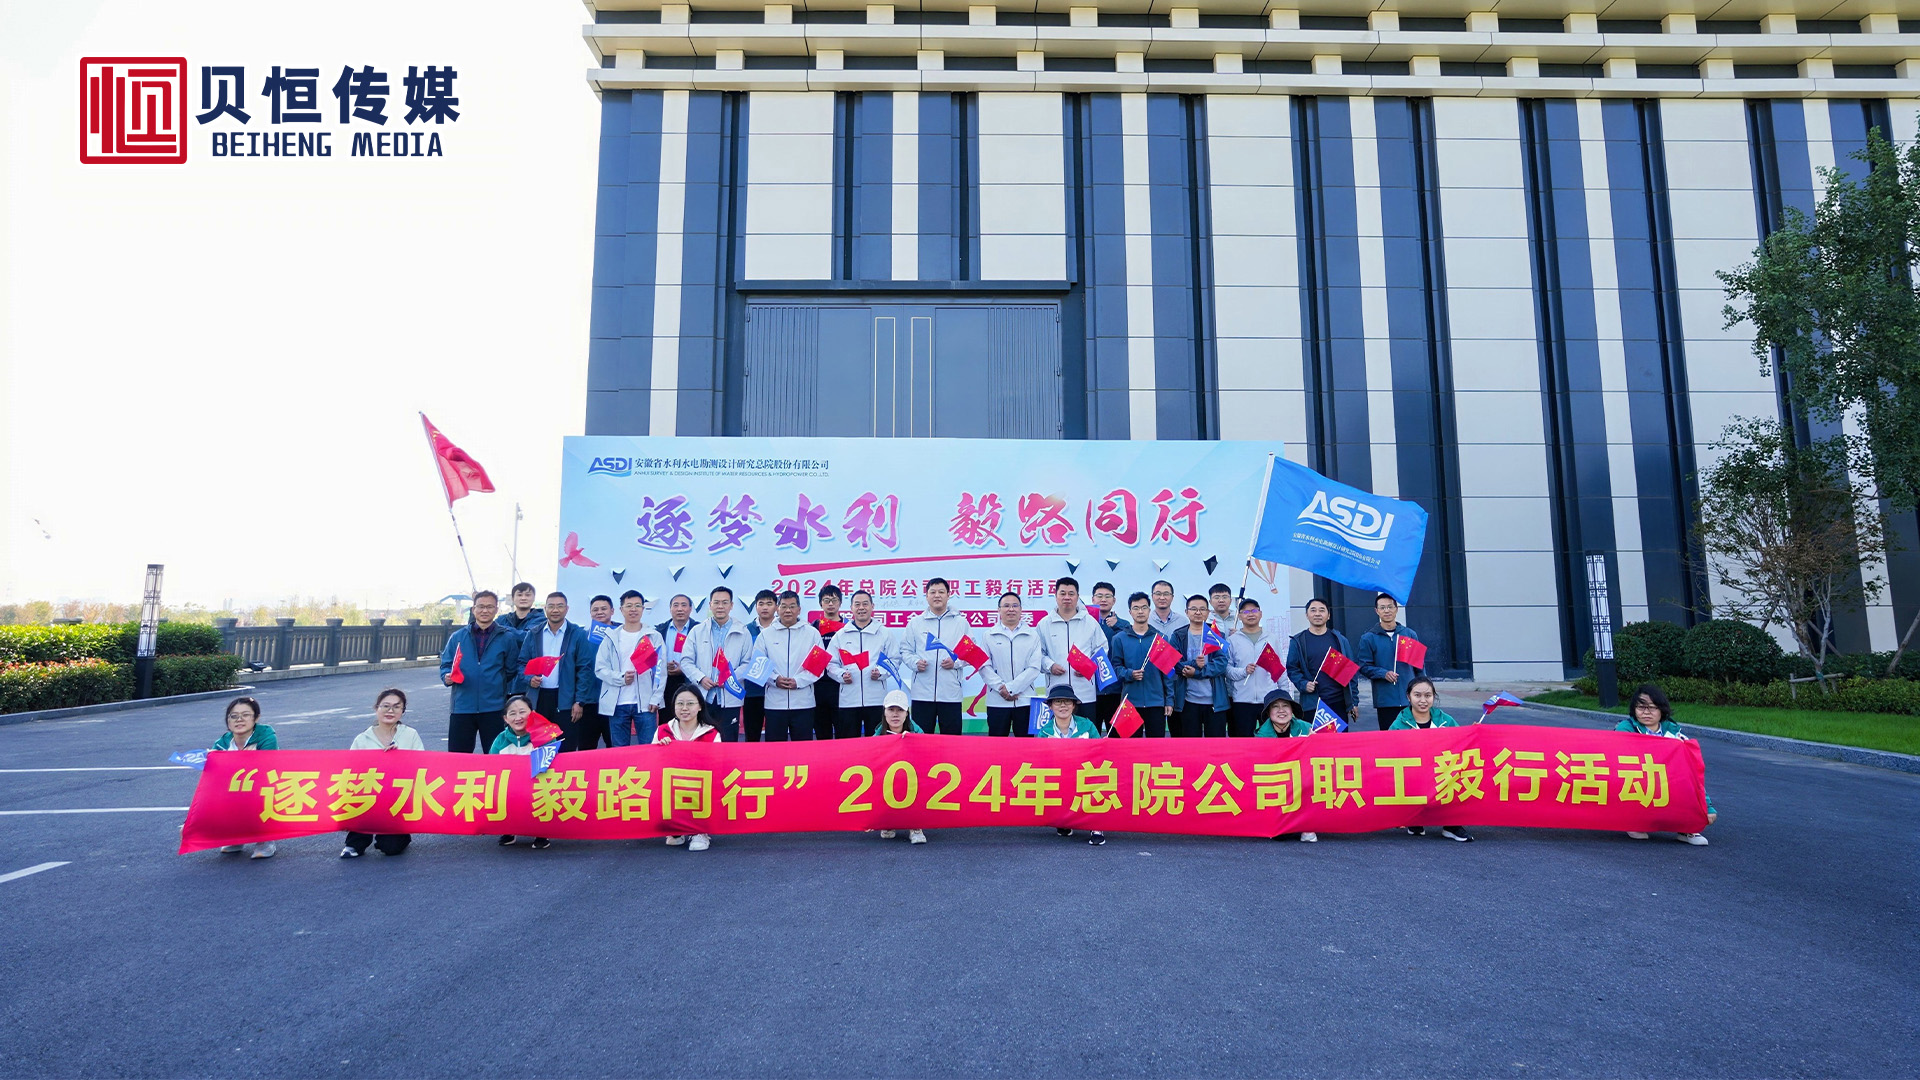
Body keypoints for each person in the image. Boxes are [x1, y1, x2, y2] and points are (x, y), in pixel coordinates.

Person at [1616, 683, 1717, 846]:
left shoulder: (1674, 734)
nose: (1646, 712)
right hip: (1638, 779)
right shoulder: (1625, 729)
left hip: (1666, 781)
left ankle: (1686, 828)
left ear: (1661, 710)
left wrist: (1707, 806)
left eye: (1652, 707)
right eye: (1641, 707)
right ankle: (1634, 821)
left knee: (1685, 776)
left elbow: (1693, 771)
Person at [1386, 677, 1473, 842]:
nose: (1423, 700)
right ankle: (1414, 818)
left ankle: (1452, 825)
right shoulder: (1399, 724)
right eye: (1417, 695)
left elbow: (1463, 741)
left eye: (1428, 695)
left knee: (1462, 773)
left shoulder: (1445, 720)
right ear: (1408, 697)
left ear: (1434, 696)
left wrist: (1473, 732)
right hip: (1414, 775)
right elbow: (1388, 750)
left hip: (1441, 772)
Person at [342, 688, 424, 858]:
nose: (390, 711)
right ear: (376, 708)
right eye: (385, 706)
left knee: (391, 848)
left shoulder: (410, 735)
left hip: (398, 797)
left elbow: (422, 765)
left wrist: (400, 757)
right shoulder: (362, 739)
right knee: (361, 802)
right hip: (369, 795)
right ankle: (355, 842)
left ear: (403, 711)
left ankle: (400, 834)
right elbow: (350, 772)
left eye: (396, 707)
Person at [515, 591, 597, 752]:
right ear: (545, 608)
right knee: (539, 747)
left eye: (560, 606)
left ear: (567, 609)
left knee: (566, 747)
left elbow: (584, 670)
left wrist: (579, 701)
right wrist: (529, 678)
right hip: (539, 699)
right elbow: (521, 664)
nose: (555, 610)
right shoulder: (534, 633)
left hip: (566, 700)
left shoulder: (577, 634)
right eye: (551, 606)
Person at [440, 590, 519, 754]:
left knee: (495, 757)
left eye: (490, 607)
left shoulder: (507, 637)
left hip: (494, 708)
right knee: (459, 757)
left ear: (496, 610)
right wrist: (446, 676)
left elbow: (511, 669)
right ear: (473, 609)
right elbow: (446, 664)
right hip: (462, 707)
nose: (485, 610)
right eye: (481, 606)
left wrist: (494, 683)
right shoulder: (458, 637)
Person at [594, 590, 667, 746]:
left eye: (637, 606)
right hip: (617, 703)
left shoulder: (653, 636)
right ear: (621, 610)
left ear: (643, 609)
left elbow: (661, 672)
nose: (633, 609)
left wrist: (656, 698)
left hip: (646, 704)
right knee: (619, 751)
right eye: (629, 606)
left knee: (649, 748)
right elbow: (600, 668)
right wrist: (621, 678)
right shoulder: (610, 637)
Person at [896, 578, 967, 735]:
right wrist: (915, 663)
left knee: (952, 739)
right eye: (932, 592)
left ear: (948, 595)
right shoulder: (915, 623)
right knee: (921, 739)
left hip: (950, 694)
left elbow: (970, 651)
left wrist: (955, 662)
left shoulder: (961, 623)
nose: (937, 596)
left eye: (941, 592)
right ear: (926, 596)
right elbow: (905, 650)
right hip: (922, 694)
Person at [750, 590, 824, 741]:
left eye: (792, 606)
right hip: (774, 704)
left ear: (799, 609)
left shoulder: (812, 634)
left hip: (804, 703)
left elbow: (819, 666)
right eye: (783, 606)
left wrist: (799, 681)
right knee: (775, 749)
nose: (788, 610)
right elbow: (757, 665)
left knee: (803, 749)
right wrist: (775, 679)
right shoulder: (765, 635)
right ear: (777, 609)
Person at [1036, 685, 1105, 845]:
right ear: (1050, 706)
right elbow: (1039, 759)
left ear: (1074, 706)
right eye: (1058, 702)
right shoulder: (1044, 731)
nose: (1063, 706)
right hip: (1059, 776)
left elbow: (1100, 751)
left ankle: (1096, 827)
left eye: (1067, 702)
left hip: (1086, 774)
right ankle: (1064, 821)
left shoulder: (1087, 725)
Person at [684, 585, 754, 741]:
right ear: (710, 605)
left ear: (731, 605)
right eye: (716, 602)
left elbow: (747, 663)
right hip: (703, 697)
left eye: (724, 602)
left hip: (730, 697)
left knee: (728, 742)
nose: (720, 606)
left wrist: (729, 679)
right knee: (702, 742)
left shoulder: (743, 632)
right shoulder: (697, 631)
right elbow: (686, 661)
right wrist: (701, 678)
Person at [655, 685, 721, 851]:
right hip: (672, 786)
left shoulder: (712, 734)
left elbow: (718, 765)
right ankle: (676, 830)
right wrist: (660, 749)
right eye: (680, 703)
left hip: (700, 786)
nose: (684, 708)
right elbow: (652, 765)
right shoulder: (663, 731)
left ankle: (700, 832)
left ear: (700, 706)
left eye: (690, 704)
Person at [211, 696, 278, 858]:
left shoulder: (267, 736)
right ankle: (236, 836)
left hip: (264, 785)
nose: (239, 720)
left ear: (256, 718)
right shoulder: (222, 743)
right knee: (218, 793)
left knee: (259, 793)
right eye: (234, 716)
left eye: (245, 715)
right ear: (228, 721)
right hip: (236, 787)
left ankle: (265, 839)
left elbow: (267, 767)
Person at [1036, 576, 1106, 724]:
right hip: (1056, 693)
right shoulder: (1044, 624)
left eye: (1071, 593)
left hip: (1085, 693)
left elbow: (1102, 649)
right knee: (1056, 735)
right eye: (1062, 593)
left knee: (1086, 733)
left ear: (1077, 596)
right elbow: (1037, 654)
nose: (1067, 597)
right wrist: (1050, 665)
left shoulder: (1090, 622)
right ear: (1055, 596)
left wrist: (1089, 666)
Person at [825, 588, 894, 737]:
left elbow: (894, 659)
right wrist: (841, 675)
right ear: (851, 608)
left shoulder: (884, 633)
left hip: (876, 699)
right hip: (848, 699)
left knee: (876, 743)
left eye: (865, 604)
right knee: (849, 743)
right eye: (857, 604)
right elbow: (830, 663)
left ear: (872, 606)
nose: (861, 608)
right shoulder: (841, 635)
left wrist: (881, 672)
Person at [1107, 592, 1175, 738]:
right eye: (1136, 608)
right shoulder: (1119, 639)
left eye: (1144, 607)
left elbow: (1168, 673)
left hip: (1155, 702)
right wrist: (1129, 674)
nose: (1140, 611)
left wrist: (1169, 700)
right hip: (1130, 702)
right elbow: (1116, 668)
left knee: (1155, 746)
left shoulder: (1160, 638)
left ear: (1149, 610)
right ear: (1130, 612)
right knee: (1131, 746)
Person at [1253, 690, 1317, 843]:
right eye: (1275, 706)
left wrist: (1317, 741)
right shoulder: (1260, 736)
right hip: (1276, 782)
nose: (1281, 710)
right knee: (1279, 836)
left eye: (1285, 706)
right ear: (1268, 712)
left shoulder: (1306, 728)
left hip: (1302, 779)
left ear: (1292, 710)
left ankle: (1307, 824)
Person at [1357, 593, 1425, 731]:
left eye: (1390, 607)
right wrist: (1383, 673)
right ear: (1377, 611)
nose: (1386, 611)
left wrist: (1423, 691)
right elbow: (1363, 666)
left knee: (1414, 737)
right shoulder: (1368, 638)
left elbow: (1419, 667)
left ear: (1396, 609)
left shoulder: (1409, 634)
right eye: (1382, 608)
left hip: (1410, 698)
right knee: (1389, 737)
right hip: (1385, 700)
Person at [980, 591, 1044, 737]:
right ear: (999, 610)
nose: (1011, 609)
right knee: (997, 745)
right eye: (1006, 606)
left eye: (1015, 606)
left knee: (1026, 745)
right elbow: (984, 666)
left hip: (1025, 700)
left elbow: (1034, 667)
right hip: (997, 700)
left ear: (1021, 610)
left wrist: (1011, 688)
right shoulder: (988, 635)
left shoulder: (1032, 635)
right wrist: (1001, 688)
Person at [490, 695, 550, 849]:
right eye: (513, 713)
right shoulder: (500, 740)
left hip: (538, 786)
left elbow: (555, 767)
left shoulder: (544, 736)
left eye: (522, 712)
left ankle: (542, 831)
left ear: (532, 713)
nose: (518, 718)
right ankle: (509, 829)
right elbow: (491, 768)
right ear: (506, 718)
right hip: (510, 788)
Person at [870, 690, 928, 844]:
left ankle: (915, 826)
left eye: (900, 710)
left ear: (906, 713)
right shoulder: (876, 737)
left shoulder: (919, 734)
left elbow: (927, 758)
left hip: (913, 780)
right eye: (891, 710)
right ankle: (888, 822)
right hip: (887, 781)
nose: (895, 715)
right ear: (884, 712)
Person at [1285, 597, 1354, 724]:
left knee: (1340, 737)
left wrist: (1353, 702)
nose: (1317, 614)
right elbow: (1292, 669)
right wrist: (1303, 684)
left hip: (1338, 702)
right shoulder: (1298, 641)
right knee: (1314, 737)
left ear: (1328, 615)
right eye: (1313, 610)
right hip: (1312, 704)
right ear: (1307, 615)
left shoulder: (1339, 640)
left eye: (1322, 610)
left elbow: (1351, 672)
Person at [1169, 595, 1230, 738]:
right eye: (1194, 609)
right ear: (1186, 612)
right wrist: (1194, 664)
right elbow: (1174, 663)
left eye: (1202, 609)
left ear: (1208, 612)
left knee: (1215, 746)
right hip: (1188, 701)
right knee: (1190, 746)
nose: (1198, 612)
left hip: (1214, 701)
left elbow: (1222, 663)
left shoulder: (1215, 634)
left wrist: (1196, 673)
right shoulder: (1178, 635)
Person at [1226, 598, 1286, 737]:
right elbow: (1227, 670)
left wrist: (1284, 696)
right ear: (1240, 616)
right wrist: (1243, 671)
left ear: (1260, 613)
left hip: (1268, 700)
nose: (1251, 614)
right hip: (1242, 701)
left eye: (1254, 610)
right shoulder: (1232, 640)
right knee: (1243, 742)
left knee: (1271, 740)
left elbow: (1280, 669)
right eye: (1246, 612)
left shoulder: (1271, 638)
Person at [741, 589, 778, 741]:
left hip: (777, 691)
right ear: (755, 607)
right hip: (753, 691)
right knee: (752, 736)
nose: (765, 607)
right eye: (761, 604)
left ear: (776, 607)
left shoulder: (783, 628)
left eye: (769, 604)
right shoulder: (746, 630)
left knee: (775, 737)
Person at [810, 584, 846, 740]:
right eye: (826, 600)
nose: (830, 604)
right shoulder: (813, 628)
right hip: (818, 685)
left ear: (840, 603)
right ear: (820, 603)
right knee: (822, 733)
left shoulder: (848, 627)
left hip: (841, 685)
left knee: (843, 732)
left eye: (834, 600)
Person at [656, 592, 699, 714]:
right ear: (670, 609)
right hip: (666, 682)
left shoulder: (699, 629)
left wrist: (685, 669)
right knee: (667, 718)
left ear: (690, 609)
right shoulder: (660, 630)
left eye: (684, 605)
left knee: (690, 717)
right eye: (676, 605)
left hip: (691, 681)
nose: (680, 609)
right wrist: (663, 666)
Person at [582, 594, 617, 748]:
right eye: (595, 609)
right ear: (590, 613)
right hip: (589, 700)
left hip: (614, 701)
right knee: (586, 748)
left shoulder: (621, 634)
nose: (599, 612)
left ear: (612, 611)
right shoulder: (583, 636)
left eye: (604, 609)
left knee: (614, 747)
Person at [1089, 581, 1124, 730]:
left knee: (1116, 735)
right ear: (1093, 599)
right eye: (1099, 596)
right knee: (1092, 734)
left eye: (1108, 596)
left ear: (1114, 600)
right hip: (1091, 690)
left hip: (1115, 690)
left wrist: (1117, 626)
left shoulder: (1124, 625)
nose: (1103, 599)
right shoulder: (1084, 624)